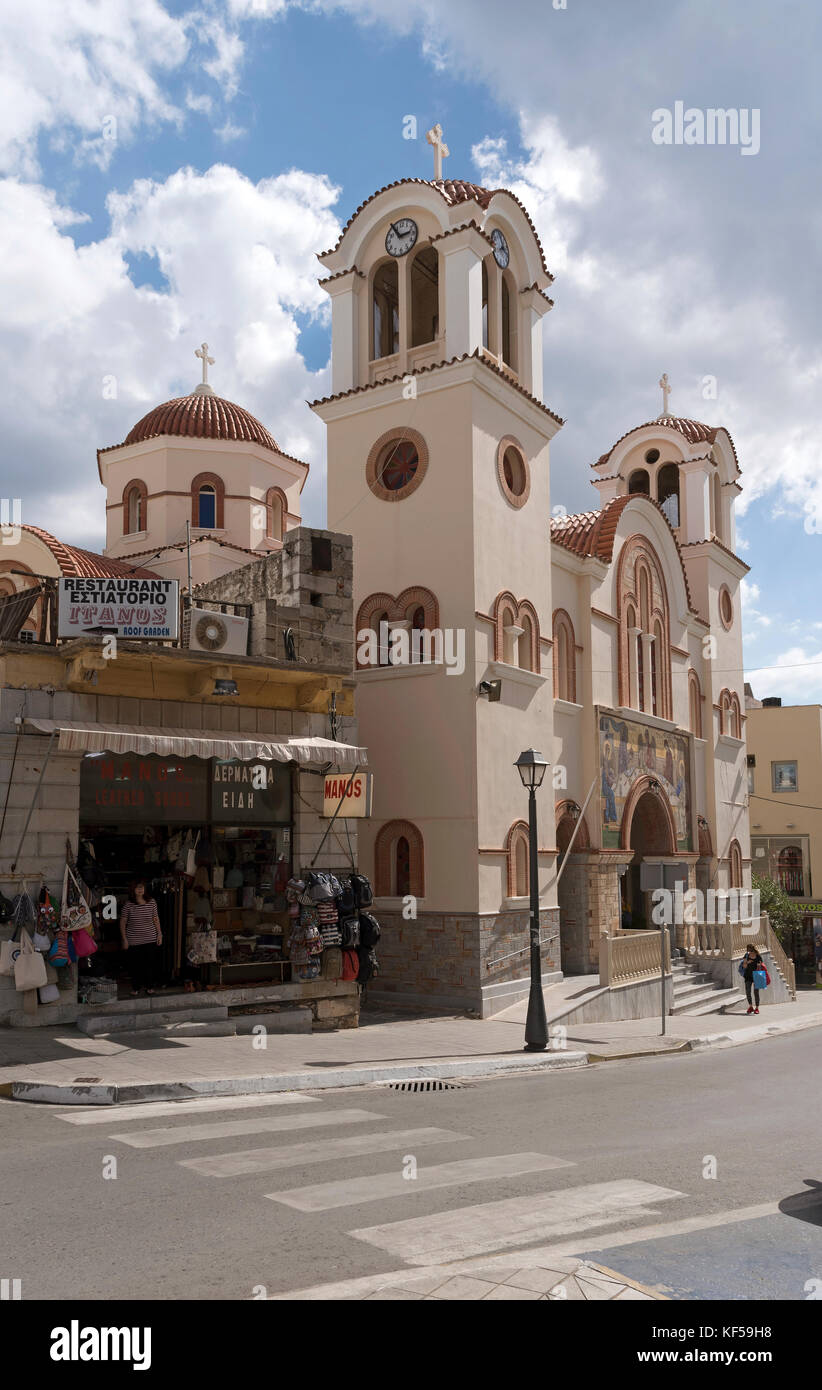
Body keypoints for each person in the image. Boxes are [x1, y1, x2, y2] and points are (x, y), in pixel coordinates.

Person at [120, 880, 162, 997]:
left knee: (150, 964)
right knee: (135, 966)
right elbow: (123, 922)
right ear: (133, 890)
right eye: (138, 888)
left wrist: (159, 934)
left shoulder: (152, 902)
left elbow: (155, 918)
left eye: (142, 887)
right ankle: (136, 988)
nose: (140, 890)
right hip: (134, 940)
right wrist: (124, 939)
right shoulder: (129, 904)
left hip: (150, 938)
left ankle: (149, 987)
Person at [739, 944, 765, 1015]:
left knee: (756, 992)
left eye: (750, 951)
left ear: (753, 950)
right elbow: (744, 966)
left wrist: (759, 965)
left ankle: (757, 1008)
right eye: (748, 951)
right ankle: (750, 1006)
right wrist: (747, 962)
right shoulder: (746, 955)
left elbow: (761, 966)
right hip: (748, 976)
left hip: (757, 976)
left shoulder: (758, 956)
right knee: (748, 992)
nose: (749, 952)